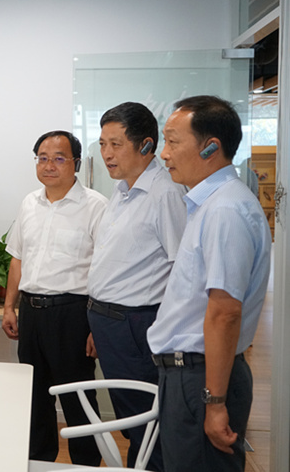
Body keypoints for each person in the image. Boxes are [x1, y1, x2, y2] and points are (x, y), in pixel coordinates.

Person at [146, 95, 271, 472]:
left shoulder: (225, 210)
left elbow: (225, 312)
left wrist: (214, 403)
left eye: (173, 141)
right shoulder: (209, 204)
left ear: (211, 147)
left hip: (202, 378)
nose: (164, 154)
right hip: (190, 375)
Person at [87, 102, 186, 470]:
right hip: (110, 322)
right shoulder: (123, 190)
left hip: (138, 324)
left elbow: (182, 269)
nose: (107, 154)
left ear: (146, 145)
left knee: (147, 421)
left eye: (116, 144)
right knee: (132, 420)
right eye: (102, 144)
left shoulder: (165, 194)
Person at [1, 130, 107, 465]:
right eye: (43, 158)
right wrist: (9, 306)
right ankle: (38, 462)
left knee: (78, 400)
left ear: (76, 163)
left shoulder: (96, 206)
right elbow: (18, 258)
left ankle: (86, 466)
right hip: (32, 313)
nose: (49, 165)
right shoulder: (29, 204)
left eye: (59, 158)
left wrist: (97, 326)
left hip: (73, 314)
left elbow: (105, 269)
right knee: (34, 398)